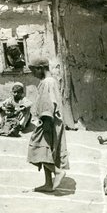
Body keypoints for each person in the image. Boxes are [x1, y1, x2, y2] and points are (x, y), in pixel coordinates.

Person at [27, 58, 69, 192]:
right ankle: (48, 183)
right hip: (49, 120)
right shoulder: (50, 81)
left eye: (33, 71)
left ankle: (57, 171)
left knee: (38, 148)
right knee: (47, 151)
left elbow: (48, 103)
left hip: (47, 121)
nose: (33, 74)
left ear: (40, 68)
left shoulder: (47, 82)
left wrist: (45, 121)